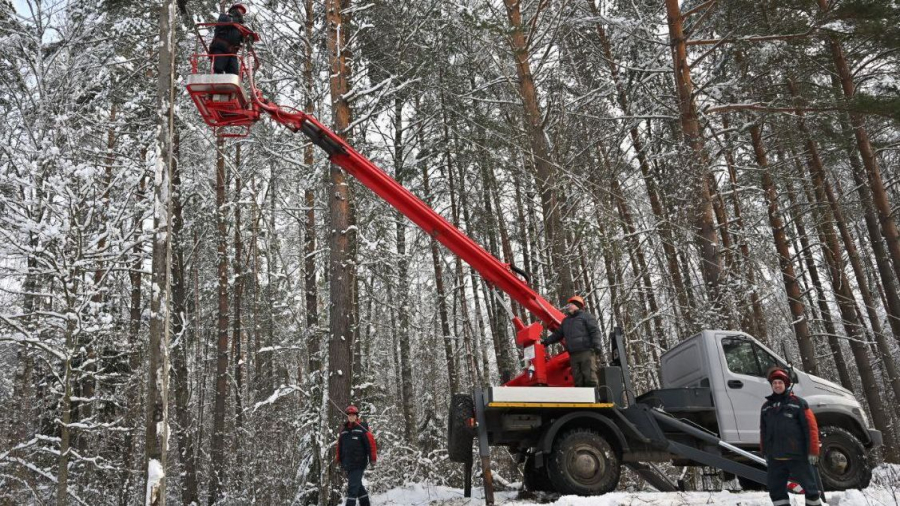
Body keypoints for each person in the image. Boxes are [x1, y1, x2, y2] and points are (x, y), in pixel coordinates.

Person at [760, 367, 822, 506]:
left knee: (810, 489)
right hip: (775, 458)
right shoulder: (766, 407)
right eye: (774, 383)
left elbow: (811, 428)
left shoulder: (798, 403)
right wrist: (765, 452)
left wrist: (813, 451)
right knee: (776, 491)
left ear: (786, 384)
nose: (777, 385)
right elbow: (763, 431)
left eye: (780, 383)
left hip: (798, 456)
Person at [540, 295, 603, 388]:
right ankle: (582, 400)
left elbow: (595, 331)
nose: (569, 306)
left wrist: (597, 345)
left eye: (571, 304)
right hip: (573, 354)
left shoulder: (587, 317)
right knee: (577, 379)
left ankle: (594, 399)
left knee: (589, 376)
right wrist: (546, 342)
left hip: (586, 351)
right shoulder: (566, 321)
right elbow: (558, 334)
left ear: (577, 305)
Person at [336, 405, 377, 506]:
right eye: (349, 415)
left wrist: (372, 459)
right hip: (348, 464)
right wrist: (339, 460)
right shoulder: (344, 430)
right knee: (358, 487)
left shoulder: (362, 428)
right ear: (347, 416)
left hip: (359, 463)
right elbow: (339, 446)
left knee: (352, 489)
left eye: (353, 415)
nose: (351, 417)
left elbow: (371, 443)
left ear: (356, 416)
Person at [209, 3, 247, 75]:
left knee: (234, 74)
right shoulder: (224, 17)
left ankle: (229, 86)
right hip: (220, 48)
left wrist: (248, 36)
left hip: (232, 52)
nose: (241, 13)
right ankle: (217, 83)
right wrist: (236, 21)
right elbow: (224, 22)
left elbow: (243, 38)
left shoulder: (239, 27)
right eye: (240, 10)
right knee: (218, 69)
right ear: (234, 9)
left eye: (242, 12)